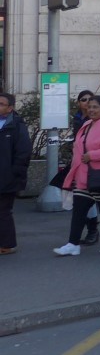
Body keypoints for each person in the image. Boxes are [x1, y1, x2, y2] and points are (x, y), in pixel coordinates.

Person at [54, 94, 100, 256]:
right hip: (84, 177)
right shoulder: (87, 124)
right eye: (90, 106)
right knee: (79, 210)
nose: (91, 109)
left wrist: (92, 155)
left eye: (95, 107)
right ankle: (73, 244)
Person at [0, 91, 33, 255]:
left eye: (1, 104)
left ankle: (7, 244)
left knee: (3, 211)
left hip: (7, 176)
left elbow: (23, 152)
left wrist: (14, 173)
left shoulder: (16, 126)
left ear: (10, 108)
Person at [71, 90, 100, 245]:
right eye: (84, 99)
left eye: (90, 100)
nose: (87, 102)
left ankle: (94, 231)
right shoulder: (77, 119)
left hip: (93, 164)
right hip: (79, 163)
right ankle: (89, 231)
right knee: (83, 199)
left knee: (90, 200)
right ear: (79, 103)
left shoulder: (97, 120)